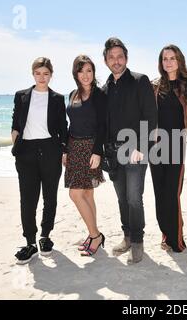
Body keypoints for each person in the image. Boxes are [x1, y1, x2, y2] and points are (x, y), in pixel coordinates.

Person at [102, 37, 157, 264]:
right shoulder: (104, 89)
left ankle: (137, 242)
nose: (116, 61)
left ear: (126, 58)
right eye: (112, 57)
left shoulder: (139, 81)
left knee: (135, 198)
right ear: (106, 60)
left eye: (120, 57)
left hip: (136, 150)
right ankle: (126, 236)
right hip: (114, 153)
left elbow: (151, 117)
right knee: (122, 198)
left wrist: (142, 147)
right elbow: (103, 124)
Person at [11, 57, 67, 265]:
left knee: (49, 196)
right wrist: (16, 143)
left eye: (46, 73)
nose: (42, 77)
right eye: (38, 73)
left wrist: (64, 151)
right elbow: (16, 122)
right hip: (26, 152)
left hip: (51, 151)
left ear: (51, 75)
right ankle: (30, 242)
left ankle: (45, 237)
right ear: (33, 74)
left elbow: (63, 128)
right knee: (28, 199)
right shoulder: (22, 96)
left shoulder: (58, 99)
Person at [150, 45, 187, 253]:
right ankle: (165, 234)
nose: (168, 62)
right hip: (155, 145)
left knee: (172, 193)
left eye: (172, 58)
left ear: (179, 60)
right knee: (160, 194)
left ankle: (177, 239)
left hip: (176, 144)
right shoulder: (154, 86)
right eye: (165, 59)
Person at [63, 55, 106, 257]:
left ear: (94, 73)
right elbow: (70, 124)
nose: (85, 75)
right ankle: (93, 234)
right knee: (87, 194)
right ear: (76, 74)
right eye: (81, 71)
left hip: (90, 148)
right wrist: (65, 149)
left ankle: (95, 235)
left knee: (75, 194)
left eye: (89, 70)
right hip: (74, 147)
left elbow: (103, 126)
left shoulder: (99, 95)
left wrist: (98, 151)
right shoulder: (72, 94)